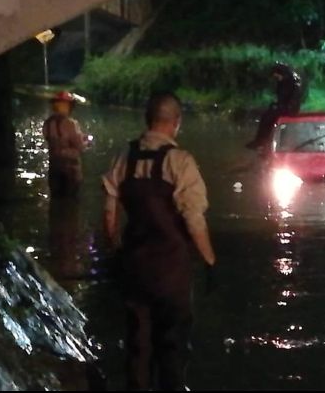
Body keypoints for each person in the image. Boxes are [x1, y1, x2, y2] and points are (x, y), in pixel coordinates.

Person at [102, 92, 217, 391]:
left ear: (147, 119)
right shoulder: (181, 162)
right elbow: (194, 219)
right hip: (171, 271)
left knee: (138, 345)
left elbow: (110, 210)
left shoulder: (123, 157)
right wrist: (209, 260)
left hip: (134, 266)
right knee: (172, 345)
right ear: (176, 123)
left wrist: (115, 248)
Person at [246, 63, 303, 150]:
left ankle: (261, 141)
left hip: (289, 108)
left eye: (277, 76)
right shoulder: (288, 79)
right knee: (267, 115)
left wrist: (279, 106)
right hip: (287, 106)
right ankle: (262, 140)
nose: (276, 79)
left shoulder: (289, 81)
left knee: (267, 117)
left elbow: (288, 98)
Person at [43, 91, 89, 198]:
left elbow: (48, 138)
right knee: (71, 202)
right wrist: (86, 142)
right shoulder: (71, 123)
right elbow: (80, 146)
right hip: (71, 169)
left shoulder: (47, 123)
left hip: (54, 167)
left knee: (56, 199)